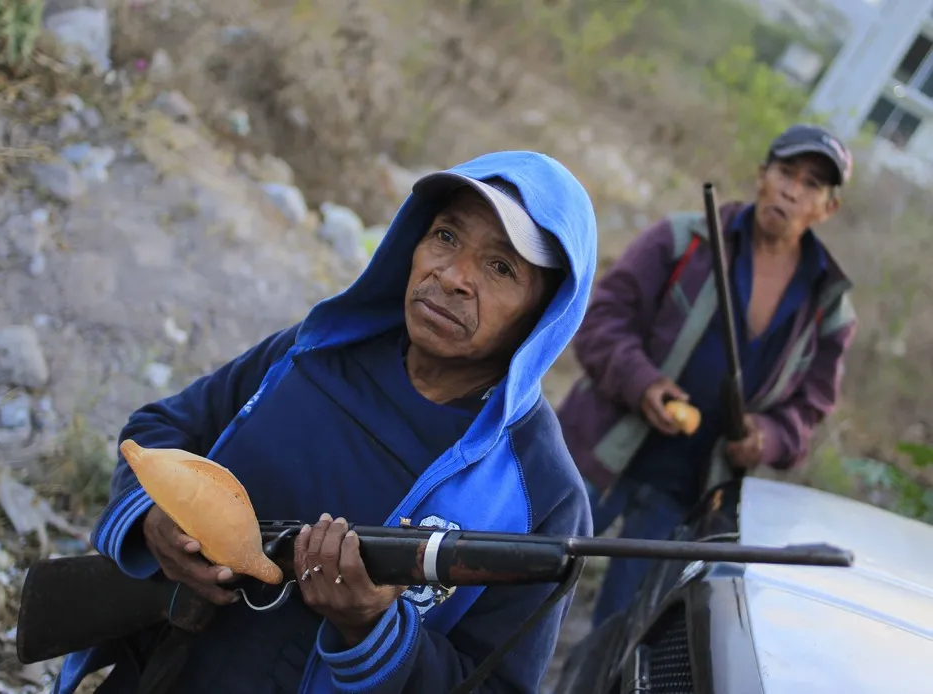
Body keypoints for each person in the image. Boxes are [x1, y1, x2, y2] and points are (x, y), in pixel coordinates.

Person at [53, 150, 599, 694]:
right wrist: (152, 519)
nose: (453, 275)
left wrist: (375, 631)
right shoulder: (312, 351)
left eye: (501, 267)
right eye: (446, 236)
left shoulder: (542, 495)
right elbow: (159, 430)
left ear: (545, 312)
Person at [556, 124, 858, 628]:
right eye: (785, 172)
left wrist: (766, 439)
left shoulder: (828, 307)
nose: (791, 190)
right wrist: (642, 383)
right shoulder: (684, 240)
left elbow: (808, 412)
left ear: (828, 208)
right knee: (526, 572)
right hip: (597, 453)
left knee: (620, 632)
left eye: (811, 184)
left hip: (687, 496)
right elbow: (601, 320)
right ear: (762, 176)